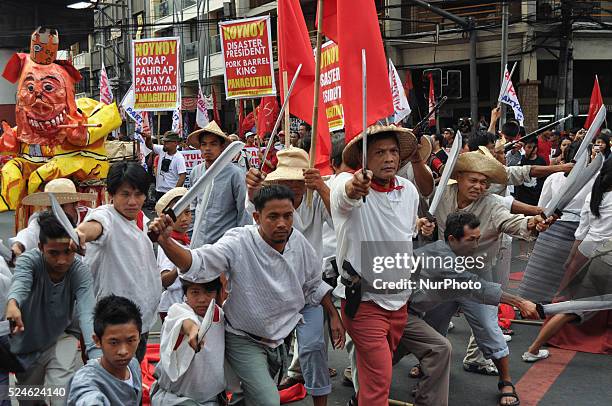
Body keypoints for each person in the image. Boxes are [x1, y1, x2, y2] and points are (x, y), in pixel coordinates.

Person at [149, 184, 345, 406]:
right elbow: (198, 262)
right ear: (257, 216)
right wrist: (165, 241)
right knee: (268, 401)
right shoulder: (238, 241)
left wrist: (333, 315)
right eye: (273, 216)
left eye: (287, 216)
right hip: (243, 339)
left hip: (278, 340)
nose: (282, 223)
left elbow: (313, 284)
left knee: (248, 400)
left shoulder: (298, 242)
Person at [421, 151, 552, 406]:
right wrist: (423, 226)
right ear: (458, 177)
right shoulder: (441, 195)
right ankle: (428, 368)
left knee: (490, 331)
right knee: (430, 327)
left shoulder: (492, 203)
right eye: (473, 180)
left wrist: (533, 223)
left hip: (476, 275)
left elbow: (512, 223)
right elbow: (426, 220)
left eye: (484, 182)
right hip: (443, 275)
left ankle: (505, 381)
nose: (479, 187)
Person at [330, 124, 433, 406]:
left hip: (399, 303)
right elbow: (345, 194)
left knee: (372, 378)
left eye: (392, 152)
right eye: (379, 153)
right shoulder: (345, 184)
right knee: (379, 383)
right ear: (363, 160)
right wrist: (355, 187)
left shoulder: (409, 190)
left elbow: (402, 234)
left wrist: (417, 226)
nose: (388, 158)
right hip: (364, 303)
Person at [395, 212, 541, 406]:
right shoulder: (441, 257)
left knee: (445, 345)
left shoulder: (487, 213)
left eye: (478, 239)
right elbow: (472, 285)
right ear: (452, 239)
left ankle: (504, 382)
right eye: (471, 240)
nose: (476, 244)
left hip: (423, 305)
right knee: (426, 348)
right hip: (400, 311)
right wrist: (520, 302)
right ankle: (366, 383)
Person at [245, 147, 334, 399]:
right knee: (268, 351)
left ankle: (319, 396)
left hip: (309, 290)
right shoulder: (266, 200)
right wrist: (252, 189)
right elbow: (251, 210)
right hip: (272, 290)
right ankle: (268, 391)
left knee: (314, 346)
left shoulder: (315, 197)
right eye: (287, 180)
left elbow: (340, 221)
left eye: (299, 180)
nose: (294, 186)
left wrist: (322, 188)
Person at [2, 212, 99, 406]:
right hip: (28, 342)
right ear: (40, 248)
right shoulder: (29, 261)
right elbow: (20, 283)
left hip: (62, 337)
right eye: (54, 253)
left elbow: (88, 311)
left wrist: (96, 355)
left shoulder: (79, 271)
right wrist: (13, 304)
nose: (62, 260)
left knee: (60, 396)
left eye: (67, 252)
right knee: (29, 399)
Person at [523, 157, 612, 361]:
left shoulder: (595, 195)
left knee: (571, 305)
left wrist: (573, 259)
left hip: (588, 250)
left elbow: (582, 233)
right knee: (573, 309)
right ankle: (533, 349)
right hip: (606, 255)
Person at [75, 161, 161, 362]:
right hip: (112, 325)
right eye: (125, 194)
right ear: (111, 194)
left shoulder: (141, 220)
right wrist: (79, 234)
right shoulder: (106, 216)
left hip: (141, 321)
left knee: (131, 381)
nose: (132, 201)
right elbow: (95, 228)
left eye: (138, 194)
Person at [517, 142, 595, 303]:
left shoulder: (556, 178)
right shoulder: (594, 180)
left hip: (561, 229)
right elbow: (543, 209)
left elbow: (543, 207)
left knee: (553, 272)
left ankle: (537, 304)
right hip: (567, 229)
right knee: (564, 272)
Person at [151, 274, 226, 405]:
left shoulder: (221, 315)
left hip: (210, 400)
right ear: (186, 293)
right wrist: (193, 331)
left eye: (209, 292)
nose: (202, 299)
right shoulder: (177, 311)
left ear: (217, 292)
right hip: (175, 398)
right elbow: (186, 322)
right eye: (195, 292)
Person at [67, 295, 143, 406]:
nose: (123, 351)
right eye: (114, 342)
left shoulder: (133, 365)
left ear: (139, 338)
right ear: (97, 341)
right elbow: (86, 397)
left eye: (130, 340)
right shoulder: (86, 380)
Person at [186, 122, 250, 248]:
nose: (207, 148)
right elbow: (192, 206)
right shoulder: (196, 172)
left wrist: (240, 244)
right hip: (198, 242)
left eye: (213, 144)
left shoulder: (235, 174)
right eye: (204, 144)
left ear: (222, 147)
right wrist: (190, 234)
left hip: (225, 244)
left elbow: (244, 211)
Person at [10, 178, 96, 257]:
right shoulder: (43, 220)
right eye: (50, 207)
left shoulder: (91, 217)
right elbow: (30, 233)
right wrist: (18, 245)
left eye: (61, 206)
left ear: (75, 204)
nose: (55, 212)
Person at [155, 187, 192, 322]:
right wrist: (181, 266)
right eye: (178, 214)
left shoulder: (186, 241)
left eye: (187, 212)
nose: (184, 218)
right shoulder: (168, 244)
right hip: (172, 306)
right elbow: (164, 280)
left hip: (184, 304)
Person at [144, 131, 187, 201]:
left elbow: (182, 176)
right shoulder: (162, 150)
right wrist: (148, 138)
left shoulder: (179, 158)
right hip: (159, 191)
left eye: (167, 142)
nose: (164, 144)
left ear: (175, 143)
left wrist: (174, 193)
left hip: (170, 192)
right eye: (164, 142)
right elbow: (150, 146)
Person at [513, 136, 547, 206]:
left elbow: (543, 180)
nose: (533, 150)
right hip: (521, 198)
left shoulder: (541, 161)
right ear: (524, 147)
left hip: (536, 197)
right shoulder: (519, 160)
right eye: (529, 147)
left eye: (535, 147)